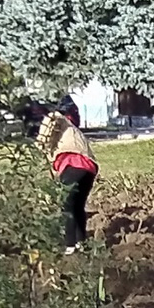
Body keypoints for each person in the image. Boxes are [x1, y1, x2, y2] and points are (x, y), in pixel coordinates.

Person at [36, 109, 99, 254]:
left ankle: (70, 245)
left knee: (68, 207)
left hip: (71, 166)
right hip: (89, 169)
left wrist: (40, 144)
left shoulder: (59, 121)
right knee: (78, 206)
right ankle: (81, 243)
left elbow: (51, 119)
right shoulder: (75, 131)